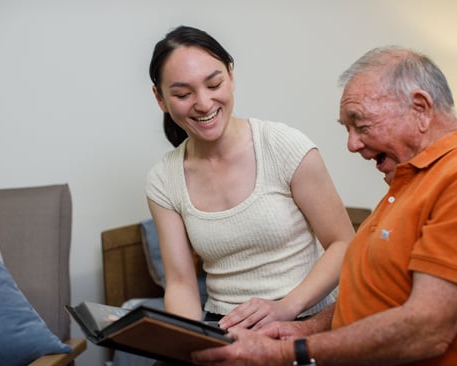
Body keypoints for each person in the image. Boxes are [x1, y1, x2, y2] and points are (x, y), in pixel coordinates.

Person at [191, 46, 457, 365]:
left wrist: (287, 353)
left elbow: (428, 328)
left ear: (421, 108)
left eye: (361, 125)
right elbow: (373, 294)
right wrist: (306, 329)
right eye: (347, 129)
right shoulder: (412, 178)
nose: (352, 144)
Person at [145, 24, 354, 331]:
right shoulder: (163, 180)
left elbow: (344, 242)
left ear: (231, 76)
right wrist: (189, 342)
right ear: (160, 99)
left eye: (214, 85)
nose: (203, 103)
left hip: (306, 317)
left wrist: (286, 307)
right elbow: (180, 283)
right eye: (183, 94)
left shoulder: (283, 145)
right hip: (228, 327)